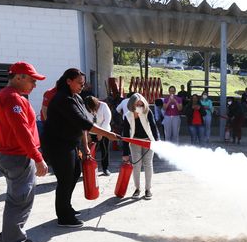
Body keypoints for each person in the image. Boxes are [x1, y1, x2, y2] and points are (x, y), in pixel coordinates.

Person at [42, 68, 119, 228]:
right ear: (68, 81)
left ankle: (66, 207)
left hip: (71, 143)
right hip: (58, 145)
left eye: (83, 84)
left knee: (75, 173)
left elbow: (83, 124)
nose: (81, 87)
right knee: (65, 179)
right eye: (79, 83)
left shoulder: (76, 97)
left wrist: (84, 147)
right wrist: (107, 133)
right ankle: (63, 216)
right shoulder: (63, 99)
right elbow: (83, 123)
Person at [0, 61, 48, 242]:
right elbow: (22, 131)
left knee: (14, 199)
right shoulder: (13, 99)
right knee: (20, 202)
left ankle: (7, 239)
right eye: (32, 80)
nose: (34, 85)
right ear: (18, 77)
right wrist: (38, 158)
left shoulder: (3, 97)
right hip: (18, 157)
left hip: (8, 155)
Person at [122, 93, 159, 200]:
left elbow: (153, 126)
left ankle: (148, 189)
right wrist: (125, 153)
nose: (139, 107)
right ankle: (137, 189)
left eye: (141, 104)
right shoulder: (128, 115)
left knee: (148, 165)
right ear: (132, 105)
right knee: (136, 166)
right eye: (137, 104)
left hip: (148, 141)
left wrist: (156, 140)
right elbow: (125, 134)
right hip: (135, 142)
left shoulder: (147, 112)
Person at [84, 96, 112, 176]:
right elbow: (84, 121)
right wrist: (87, 134)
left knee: (105, 150)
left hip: (104, 131)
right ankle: (89, 168)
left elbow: (107, 120)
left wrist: (101, 133)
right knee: (90, 151)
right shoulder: (84, 107)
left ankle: (105, 168)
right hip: (91, 132)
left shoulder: (103, 106)